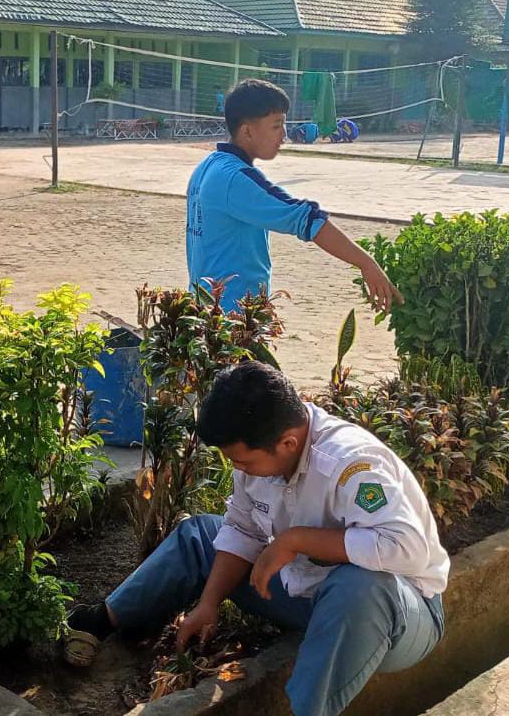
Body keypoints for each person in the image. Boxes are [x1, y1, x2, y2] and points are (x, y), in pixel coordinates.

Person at [62, 362, 448, 716]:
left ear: (288, 444)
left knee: (360, 584)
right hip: (305, 593)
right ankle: (105, 619)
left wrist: (296, 540)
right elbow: (243, 530)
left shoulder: (353, 464)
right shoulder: (258, 453)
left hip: (399, 619)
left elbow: (407, 549)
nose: (239, 470)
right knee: (202, 535)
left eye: (244, 462)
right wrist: (209, 603)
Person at [186, 79, 401, 313]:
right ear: (247, 131)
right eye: (276, 126)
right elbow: (305, 219)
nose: (284, 135)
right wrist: (366, 264)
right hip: (231, 318)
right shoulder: (235, 179)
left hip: (206, 312)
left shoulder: (208, 165)